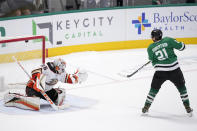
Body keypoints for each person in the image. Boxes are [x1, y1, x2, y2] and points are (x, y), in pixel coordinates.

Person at [142, 29, 193, 116]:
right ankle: (187, 108)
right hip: (175, 70)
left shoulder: (150, 47)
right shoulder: (168, 40)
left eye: (152, 36)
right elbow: (182, 47)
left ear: (155, 37)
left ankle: (146, 108)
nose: (152, 38)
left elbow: (151, 59)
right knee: (182, 88)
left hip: (160, 72)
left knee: (153, 89)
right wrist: (177, 43)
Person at [4, 58, 88, 110]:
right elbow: (34, 71)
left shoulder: (61, 72)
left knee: (58, 98)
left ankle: (56, 92)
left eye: (63, 68)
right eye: (60, 68)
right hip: (33, 89)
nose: (62, 70)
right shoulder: (46, 68)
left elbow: (68, 78)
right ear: (56, 66)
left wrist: (77, 78)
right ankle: (14, 97)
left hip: (46, 91)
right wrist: (38, 80)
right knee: (35, 104)